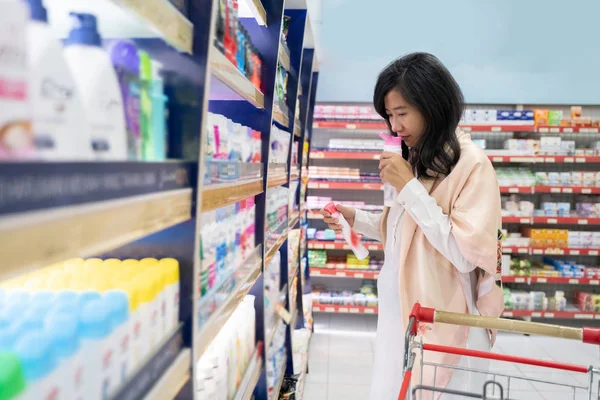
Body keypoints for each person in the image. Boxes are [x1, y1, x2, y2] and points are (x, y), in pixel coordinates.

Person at [320, 52, 504, 400]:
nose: (394, 127)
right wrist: (355, 218)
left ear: (432, 105)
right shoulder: (420, 159)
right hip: (403, 317)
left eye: (402, 113)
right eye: (389, 115)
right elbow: (406, 233)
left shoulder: (472, 165)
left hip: (446, 325)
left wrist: (409, 188)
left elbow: (465, 257)